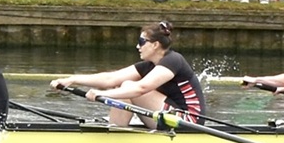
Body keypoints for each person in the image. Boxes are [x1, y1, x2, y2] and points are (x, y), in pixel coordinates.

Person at [49, 19, 206, 126]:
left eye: (141, 42)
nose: (138, 47)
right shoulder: (148, 65)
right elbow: (110, 78)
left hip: (188, 120)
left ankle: (116, 132)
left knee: (129, 87)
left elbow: (141, 89)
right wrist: (72, 79)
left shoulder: (173, 60)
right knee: (122, 86)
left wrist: (102, 94)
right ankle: (115, 129)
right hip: (168, 115)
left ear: (155, 45)